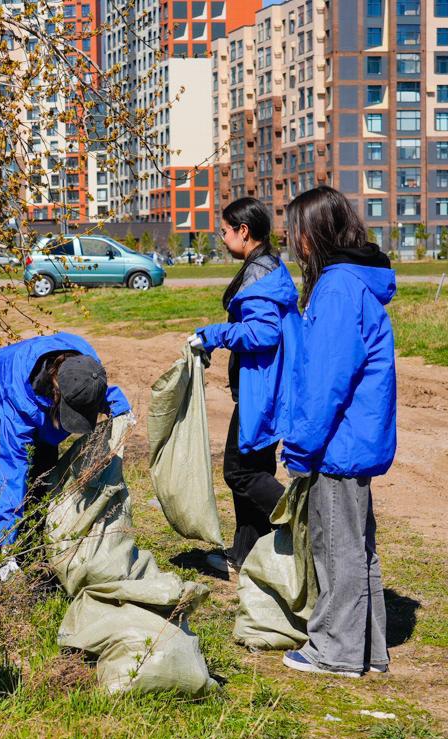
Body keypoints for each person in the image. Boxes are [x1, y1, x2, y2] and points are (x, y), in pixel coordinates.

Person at [278, 186, 397, 679]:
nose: (293, 242)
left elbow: (325, 380)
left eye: (297, 231)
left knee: (337, 549)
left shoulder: (337, 288)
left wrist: (301, 446)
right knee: (357, 548)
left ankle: (336, 651)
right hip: (355, 440)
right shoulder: (354, 281)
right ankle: (368, 649)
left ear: (315, 234)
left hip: (339, 443)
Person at [187, 197, 299, 574]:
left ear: (243, 231)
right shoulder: (266, 266)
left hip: (261, 391)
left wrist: (215, 335)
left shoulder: (259, 276)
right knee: (256, 468)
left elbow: (263, 333)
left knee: (239, 471)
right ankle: (249, 555)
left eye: (224, 231)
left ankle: (301, 522)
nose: (221, 239)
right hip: (264, 386)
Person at [0, 333, 130, 578]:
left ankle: (38, 556)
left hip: (40, 409)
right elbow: (12, 471)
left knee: (44, 480)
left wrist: (121, 410)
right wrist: (7, 544)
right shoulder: (22, 401)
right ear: (56, 393)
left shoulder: (86, 367)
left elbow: (97, 393)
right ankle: (6, 555)